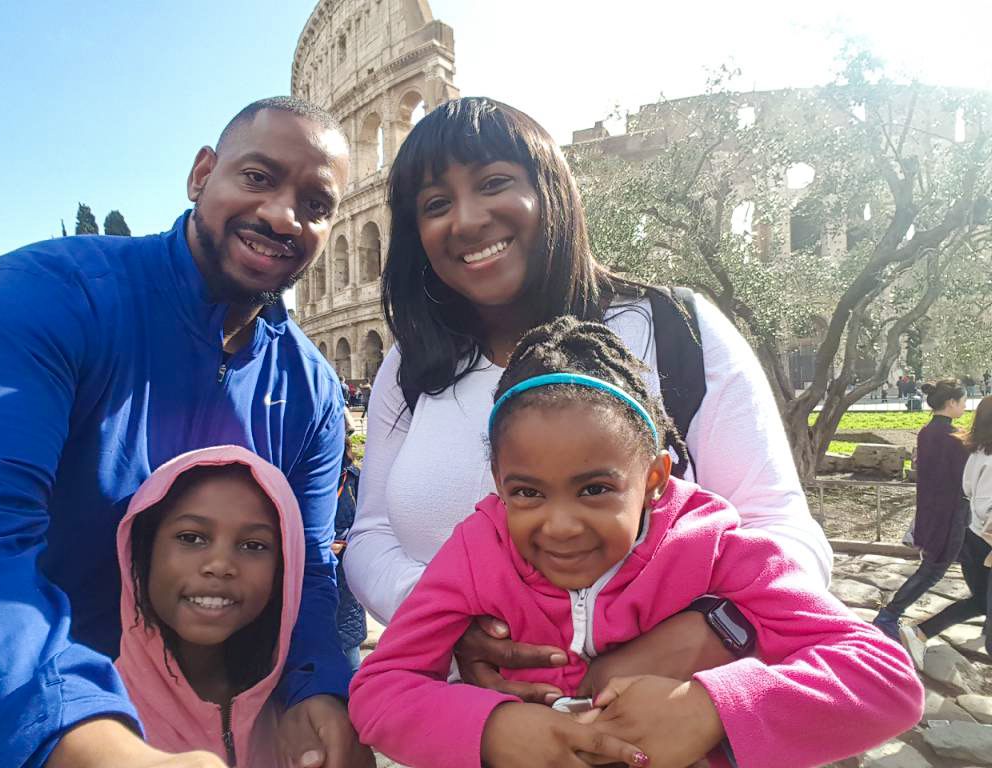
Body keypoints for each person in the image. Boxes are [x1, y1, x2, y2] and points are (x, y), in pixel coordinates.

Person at [345, 97, 832, 701]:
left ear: (552, 191)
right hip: (468, 730)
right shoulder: (409, 364)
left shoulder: (674, 327)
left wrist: (698, 638)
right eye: (435, 204)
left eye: (494, 183)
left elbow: (783, 530)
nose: (466, 220)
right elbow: (369, 537)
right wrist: (448, 625)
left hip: (663, 728)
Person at [0, 97, 373, 768]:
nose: (282, 215)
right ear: (200, 174)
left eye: (316, 204)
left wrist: (318, 689)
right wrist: (80, 739)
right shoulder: (48, 297)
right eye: (257, 177)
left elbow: (311, 569)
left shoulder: (312, 392)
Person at [348, 317, 923, 768]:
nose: (562, 524)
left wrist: (711, 709)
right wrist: (493, 728)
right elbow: (380, 690)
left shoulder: (722, 550)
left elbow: (883, 678)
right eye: (527, 492)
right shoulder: (477, 551)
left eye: (594, 488)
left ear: (653, 478)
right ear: (499, 484)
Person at [116, 446, 303, 767]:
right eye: (191, 538)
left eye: (253, 545)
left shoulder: (302, 718)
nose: (219, 565)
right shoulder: (97, 717)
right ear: (143, 553)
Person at [874, 380, 970, 640]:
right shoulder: (957, 438)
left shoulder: (926, 433)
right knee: (932, 571)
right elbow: (966, 480)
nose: (964, 406)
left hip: (930, 510)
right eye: (962, 401)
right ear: (951, 403)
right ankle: (889, 615)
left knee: (957, 567)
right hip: (952, 515)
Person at [899, 395, 992, 663]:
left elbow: (969, 491)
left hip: (973, 536)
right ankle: (914, 630)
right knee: (981, 601)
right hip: (985, 541)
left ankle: (919, 633)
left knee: (979, 601)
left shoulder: (975, 453)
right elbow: (988, 508)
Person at [334, 410, 367, 671]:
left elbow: (369, 527)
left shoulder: (355, 480)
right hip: (315, 574)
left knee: (350, 655)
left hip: (346, 580)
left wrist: (344, 544)